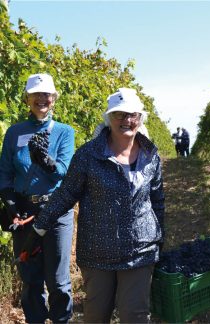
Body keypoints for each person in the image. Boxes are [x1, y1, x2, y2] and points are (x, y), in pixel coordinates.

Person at [22, 87, 165, 323]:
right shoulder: (88, 155)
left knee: (135, 315)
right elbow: (66, 193)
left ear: (140, 118)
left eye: (133, 115)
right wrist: (39, 228)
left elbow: (157, 200)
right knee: (96, 315)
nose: (127, 120)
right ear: (109, 118)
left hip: (141, 250)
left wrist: (160, 239)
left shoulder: (151, 156)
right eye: (120, 114)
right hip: (98, 251)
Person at [0, 73, 75, 323]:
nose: (41, 99)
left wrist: (46, 162)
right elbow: (4, 173)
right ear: (27, 99)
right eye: (36, 94)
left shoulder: (64, 132)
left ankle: (61, 320)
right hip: (24, 211)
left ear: (54, 99)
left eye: (46, 94)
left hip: (55, 210)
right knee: (30, 278)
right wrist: (9, 202)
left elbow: (64, 171)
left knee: (57, 280)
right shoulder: (14, 133)